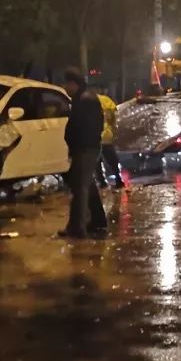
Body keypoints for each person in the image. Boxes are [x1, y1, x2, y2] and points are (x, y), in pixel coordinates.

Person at [60, 68, 108, 239]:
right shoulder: (83, 98)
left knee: (79, 188)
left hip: (85, 148)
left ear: (74, 83)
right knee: (87, 185)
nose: (64, 87)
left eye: (66, 83)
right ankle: (98, 221)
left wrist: (78, 144)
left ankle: (77, 227)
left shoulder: (85, 100)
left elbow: (86, 126)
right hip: (85, 147)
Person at [95, 84, 124, 189]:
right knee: (112, 160)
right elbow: (113, 118)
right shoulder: (106, 100)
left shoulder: (85, 101)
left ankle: (101, 182)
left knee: (97, 162)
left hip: (94, 137)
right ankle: (118, 180)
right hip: (106, 135)